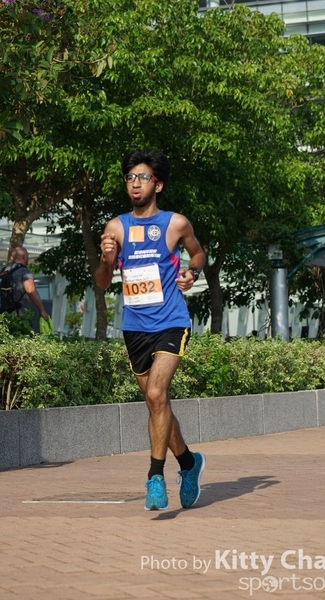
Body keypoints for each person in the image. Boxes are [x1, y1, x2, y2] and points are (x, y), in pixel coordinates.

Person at [95, 149, 206, 511]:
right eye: (130, 177)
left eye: (142, 177)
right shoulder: (116, 227)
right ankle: (189, 463)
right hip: (135, 328)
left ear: (157, 185)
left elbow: (198, 254)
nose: (135, 183)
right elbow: (102, 282)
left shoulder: (176, 224)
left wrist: (192, 272)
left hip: (172, 321)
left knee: (157, 393)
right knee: (157, 404)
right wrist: (106, 260)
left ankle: (155, 477)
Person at [4, 246, 50, 321]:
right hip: (19, 315)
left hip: (4, 314)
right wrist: (42, 310)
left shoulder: (5, 270)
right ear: (24, 257)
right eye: (28, 256)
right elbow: (30, 291)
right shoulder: (25, 271)